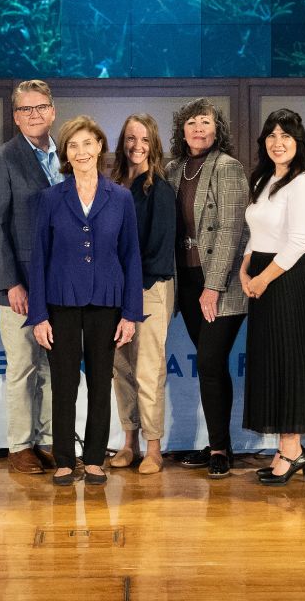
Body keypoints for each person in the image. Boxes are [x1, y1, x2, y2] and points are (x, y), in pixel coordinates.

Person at [28, 116, 143, 487]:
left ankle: (94, 459)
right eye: (73, 146)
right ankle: (65, 459)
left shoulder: (121, 198)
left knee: (100, 383)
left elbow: (131, 258)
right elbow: (38, 258)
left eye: (88, 144)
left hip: (106, 302)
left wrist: (130, 313)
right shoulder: (50, 198)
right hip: (60, 302)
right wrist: (39, 315)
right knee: (63, 384)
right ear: (65, 153)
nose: (81, 152)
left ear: (99, 148)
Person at [239, 109, 305, 486]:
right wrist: (245, 270)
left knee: (289, 362)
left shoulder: (303, 183)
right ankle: (284, 449)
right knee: (271, 363)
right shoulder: (263, 178)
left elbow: (296, 244)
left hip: (288, 280)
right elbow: (255, 231)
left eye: (286, 136)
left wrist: (261, 279)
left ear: (298, 142)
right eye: (272, 136)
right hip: (261, 274)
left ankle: (292, 450)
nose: (278, 143)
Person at [166, 98, 251, 477]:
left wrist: (213, 286)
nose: (199, 129)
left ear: (218, 130)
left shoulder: (228, 168)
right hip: (185, 279)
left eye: (206, 122)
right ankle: (221, 444)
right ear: (181, 130)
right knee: (208, 365)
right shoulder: (173, 169)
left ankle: (219, 448)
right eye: (192, 123)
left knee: (210, 362)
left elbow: (233, 230)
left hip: (220, 283)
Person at [0, 79, 61, 474]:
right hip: (22, 288)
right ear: (15, 117)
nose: (34, 115)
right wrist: (10, 282)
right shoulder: (2, 158)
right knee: (23, 368)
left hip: (62, 285)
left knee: (51, 368)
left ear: (52, 111)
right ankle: (19, 447)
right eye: (25, 110)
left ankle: (48, 441)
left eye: (40, 107)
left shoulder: (67, 156)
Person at [110, 113, 178, 474]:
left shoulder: (160, 190)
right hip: (115, 294)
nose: (137, 146)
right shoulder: (115, 186)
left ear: (154, 144)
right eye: (130, 139)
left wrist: (131, 300)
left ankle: (154, 449)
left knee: (148, 371)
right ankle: (129, 443)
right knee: (121, 370)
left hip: (149, 290)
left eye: (145, 140)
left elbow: (158, 253)